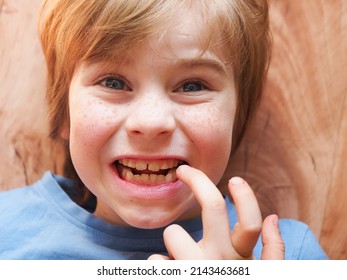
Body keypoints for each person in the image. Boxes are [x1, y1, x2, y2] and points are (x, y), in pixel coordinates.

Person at [0, 0, 327, 260]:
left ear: (235, 116)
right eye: (113, 82)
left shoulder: (288, 256)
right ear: (64, 115)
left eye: (192, 85)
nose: (151, 122)